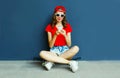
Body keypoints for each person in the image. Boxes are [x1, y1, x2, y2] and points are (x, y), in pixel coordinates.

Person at [39, 6, 80, 73]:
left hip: (65, 51)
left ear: (64, 16)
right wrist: (55, 35)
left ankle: (51, 61)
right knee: (41, 53)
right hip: (54, 51)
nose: (59, 17)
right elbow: (50, 46)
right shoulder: (49, 27)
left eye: (62, 15)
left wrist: (65, 35)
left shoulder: (67, 26)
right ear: (54, 15)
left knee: (76, 48)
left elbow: (69, 44)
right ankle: (70, 63)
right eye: (57, 14)